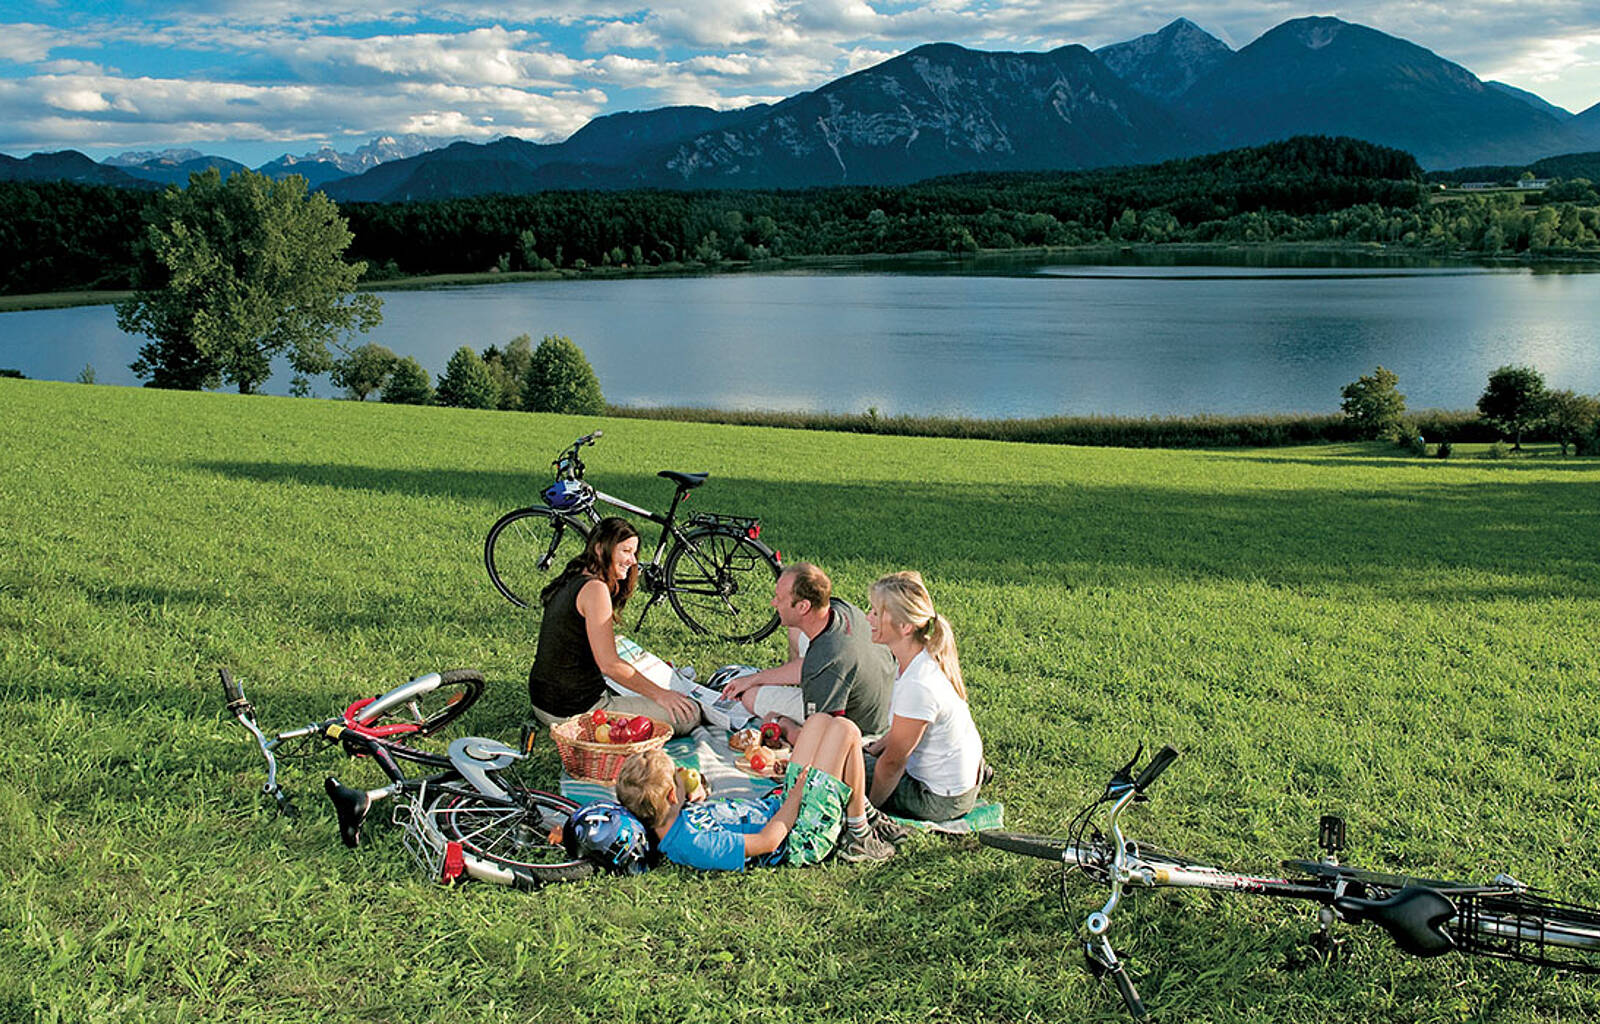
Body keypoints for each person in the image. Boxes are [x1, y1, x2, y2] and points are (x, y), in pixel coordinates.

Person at [615, 713, 895, 869]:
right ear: (671, 797)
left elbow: (703, 813)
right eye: (679, 778)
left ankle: (860, 811)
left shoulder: (675, 818)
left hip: (784, 809)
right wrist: (796, 795)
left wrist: (697, 795)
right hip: (801, 836)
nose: (683, 776)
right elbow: (767, 842)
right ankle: (859, 833)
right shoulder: (695, 845)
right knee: (845, 730)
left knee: (818, 723)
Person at [527, 517, 701, 736]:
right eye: (626, 551)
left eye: (634, 553)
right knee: (689, 713)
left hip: (543, 701)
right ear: (600, 549)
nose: (632, 560)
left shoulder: (575, 577)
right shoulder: (595, 590)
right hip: (573, 712)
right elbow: (609, 665)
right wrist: (661, 694)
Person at [718, 562, 893, 742]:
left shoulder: (826, 664)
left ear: (803, 606)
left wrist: (783, 723)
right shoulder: (839, 608)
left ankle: (804, 698)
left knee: (749, 696)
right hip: (878, 691)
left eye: (779, 598)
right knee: (796, 630)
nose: (773, 602)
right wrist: (753, 678)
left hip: (858, 724)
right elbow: (815, 662)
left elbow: (818, 739)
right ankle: (800, 690)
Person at [863, 571, 986, 821]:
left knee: (842, 764)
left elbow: (893, 764)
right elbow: (903, 731)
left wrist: (868, 811)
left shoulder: (918, 684)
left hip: (939, 799)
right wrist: (874, 749)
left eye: (876, 613)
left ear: (905, 627)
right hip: (959, 784)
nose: (868, 618)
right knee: (859, 752)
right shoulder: (922, 656)